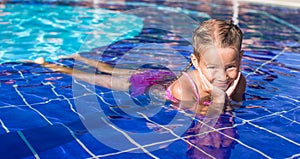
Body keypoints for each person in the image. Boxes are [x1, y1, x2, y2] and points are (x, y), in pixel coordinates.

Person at [32, 19, 246, 114]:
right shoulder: (186, 89)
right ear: (195, 62)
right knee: (103, 77)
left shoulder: (240, 81)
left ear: (240, 58)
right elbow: (204, 116)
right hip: (149, 84)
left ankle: (77, 56)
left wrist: (230, 101)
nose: (222, 75)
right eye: (213, 68)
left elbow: (235, 106)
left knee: (109, 68)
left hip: (164, 76)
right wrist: (220, 99)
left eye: (229, 67)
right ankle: (58, 66)